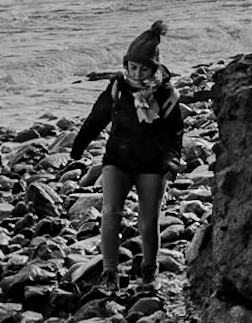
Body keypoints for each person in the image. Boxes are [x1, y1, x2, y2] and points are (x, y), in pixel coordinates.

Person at [68, 20, 185, 293]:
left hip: (152, 164)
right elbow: (96, 118)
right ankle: (109, 272)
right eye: (133, 66)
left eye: (144, 68)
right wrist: (78, 146)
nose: (137, 72)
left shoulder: (167, 95)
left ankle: (149, 270)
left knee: (148, 221)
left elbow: (174, 134)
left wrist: (172, 161)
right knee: (110, 213)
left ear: (154, 68)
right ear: (126, 65)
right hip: (117, 159)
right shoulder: (117, 89)